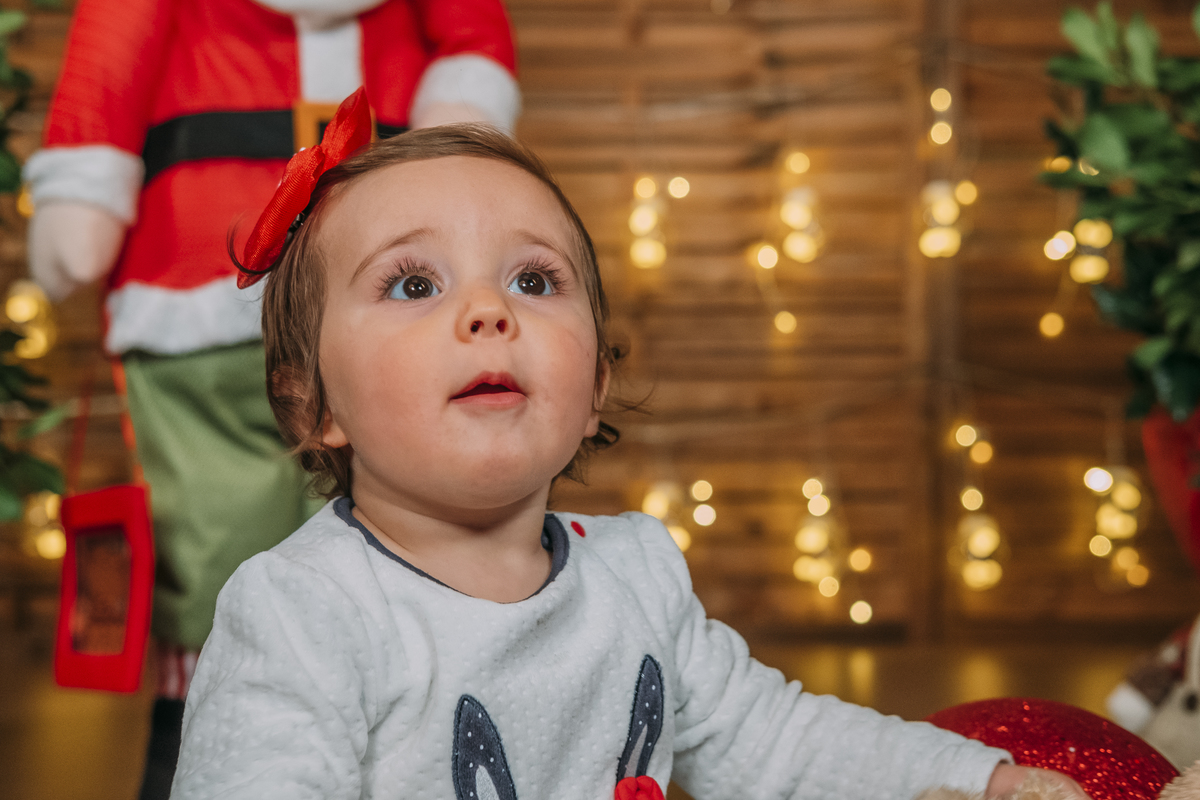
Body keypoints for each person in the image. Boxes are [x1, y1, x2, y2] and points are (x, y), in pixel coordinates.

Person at [170, 92, 1090, 800]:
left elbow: (777, 744)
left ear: (594, 385)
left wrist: (981, 778)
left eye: (535, 278)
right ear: (310, 405)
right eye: (413, 284)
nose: (489, 311)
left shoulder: (635, 575)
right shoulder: (302, 611)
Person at [23, 2, 517, 796]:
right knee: (246, 574)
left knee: (391, 558)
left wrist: (84, 184)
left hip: (363, 295)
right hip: (226, 301)